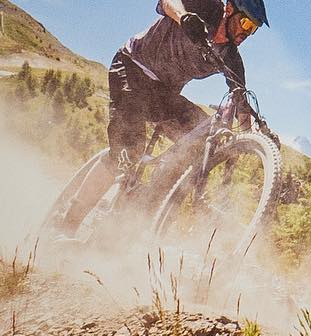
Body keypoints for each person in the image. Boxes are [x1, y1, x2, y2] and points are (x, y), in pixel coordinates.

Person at [56, 1, 266, 233]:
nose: (246, 33)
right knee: (127, 152)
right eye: (245, 22)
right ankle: (66, 225)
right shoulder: (208, 6)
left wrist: (250, 140)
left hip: (164, 95)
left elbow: (240, 101)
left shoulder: (231, 57)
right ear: (229, 9)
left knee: (202, 137)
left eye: (253, 29)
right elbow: (167, 3)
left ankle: (144, 203)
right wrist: (184, 17)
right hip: (132, 68)